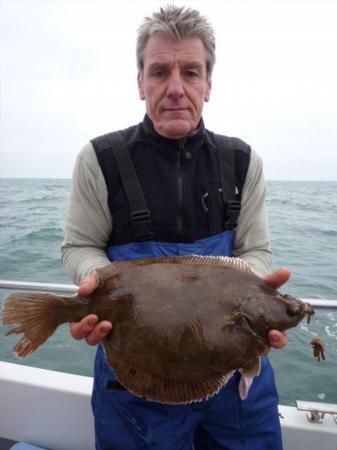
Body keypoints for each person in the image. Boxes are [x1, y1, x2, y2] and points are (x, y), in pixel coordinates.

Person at [61, 5, 288, 449]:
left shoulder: (243, 161)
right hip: (135, 379)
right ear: (140, 81)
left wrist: (255, 289)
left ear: (209, 83)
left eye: (191, 71)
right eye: (160, 71)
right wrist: (95, 283)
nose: (176, 89)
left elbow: (256, 250)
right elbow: (80, 245)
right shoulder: (99, 159)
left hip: (236, 373)